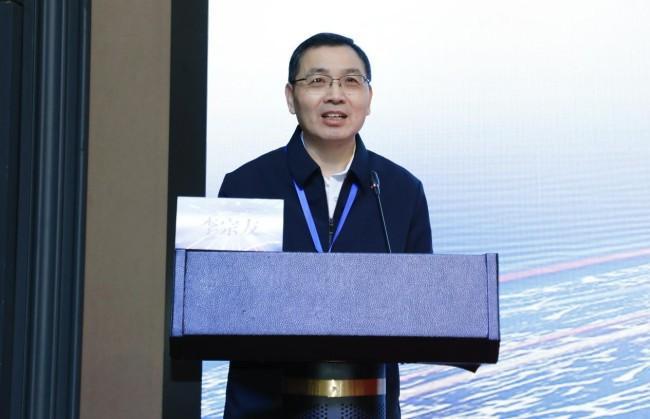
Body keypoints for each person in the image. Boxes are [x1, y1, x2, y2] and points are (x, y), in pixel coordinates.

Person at [218, 32, 432, 418]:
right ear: (290, 97)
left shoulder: (401, 190)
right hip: (262, 407)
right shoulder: (246, 186)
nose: (335, 95)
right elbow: (219, 304)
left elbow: (420, 310)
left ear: (368, 98)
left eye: (351, 81)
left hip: (370, 406)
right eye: (317, 81)